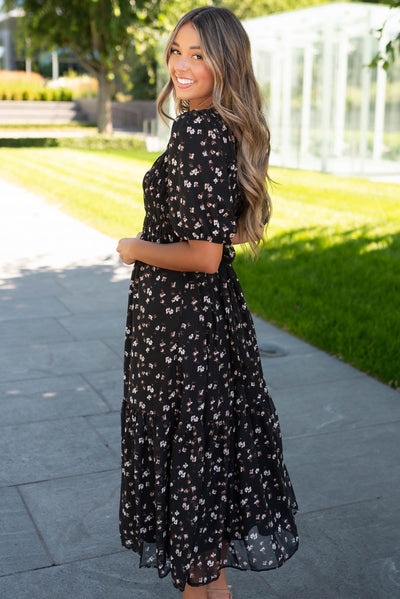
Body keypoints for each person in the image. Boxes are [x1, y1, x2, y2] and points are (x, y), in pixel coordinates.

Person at [117, 6, 298, 599]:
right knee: (202, 513)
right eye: (176, 51)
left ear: (226, 63)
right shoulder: (214, 124)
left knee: (194, 505)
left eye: (199, 54)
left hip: (182, 337)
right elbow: (235, 232)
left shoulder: (198, 130)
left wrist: (135, 247)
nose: (183, 65)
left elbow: (204, 255)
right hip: (203, 330)